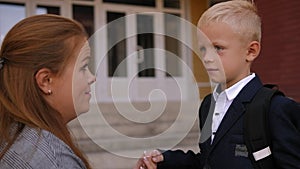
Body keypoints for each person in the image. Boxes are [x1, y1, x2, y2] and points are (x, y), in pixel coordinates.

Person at [134, 0, 300, 169]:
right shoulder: (208, 105)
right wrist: (165, 160)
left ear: (251, 51)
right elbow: (208, 160)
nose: (207, 58)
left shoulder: (276, 109)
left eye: (218, 48)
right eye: (203, 49)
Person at [0, 14, 96, 168]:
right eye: (83, 67)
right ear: (46, 81)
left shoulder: (12, 135)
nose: (92, 78)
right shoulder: (55, 160)